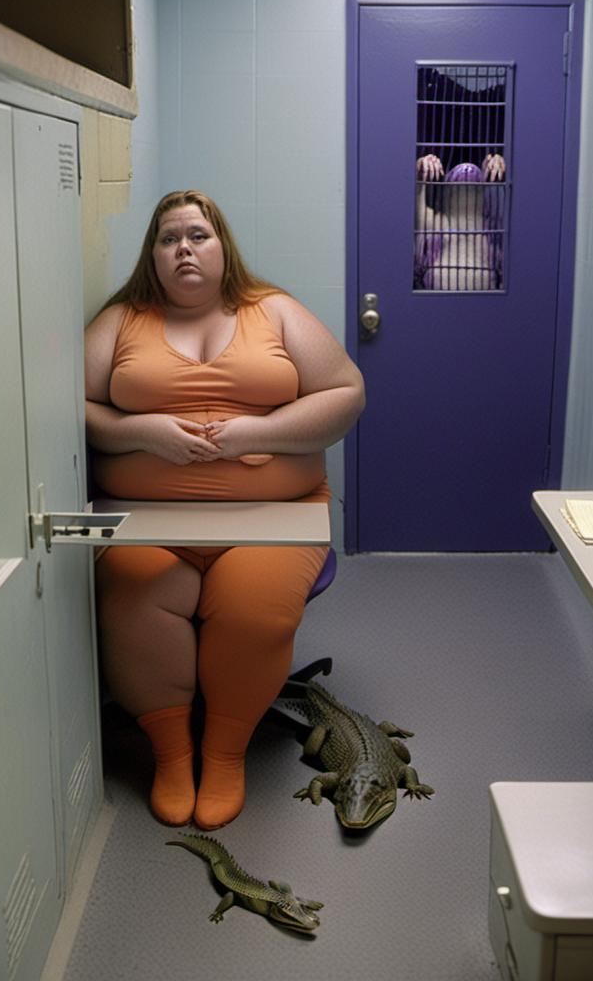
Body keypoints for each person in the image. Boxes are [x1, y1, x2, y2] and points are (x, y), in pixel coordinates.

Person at [85, 189, 364, 830]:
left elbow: (348, 393)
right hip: (147, 522)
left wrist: (254, 435)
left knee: (251, 607)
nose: (183, 248)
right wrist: (141, 431)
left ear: (223, 246)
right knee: (132, 597)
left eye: (198, 236)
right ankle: (173, 755)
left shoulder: (275, 311)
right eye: (168, 238)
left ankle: (224, 753)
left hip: (273, 517)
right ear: (152, 255)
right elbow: (66, 405)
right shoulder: (122, 319)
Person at [415, 152, 506, 290]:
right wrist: (420, 171)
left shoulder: (492, 226)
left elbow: (509, 204)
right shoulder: (435, 223)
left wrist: (500, 170)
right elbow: (415, 205)